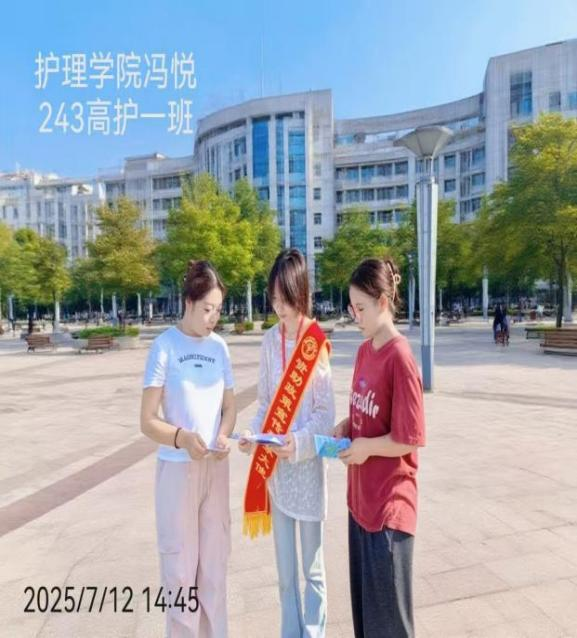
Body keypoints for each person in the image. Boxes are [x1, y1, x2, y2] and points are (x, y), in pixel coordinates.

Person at [239, 248, 335, 638]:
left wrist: (297, 442)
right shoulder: (268, 342)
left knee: (313, 571)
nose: (279, 308)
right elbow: (265, 403)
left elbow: (325, 414)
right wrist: (253, 433)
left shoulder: (315, 343)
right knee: (284, 576)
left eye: (286, 299)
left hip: (307, 472)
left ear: (302, 293)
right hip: (277, 475)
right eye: (274, 299)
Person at [140, 260, 237, 638]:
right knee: (180, 573)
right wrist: (181, 437)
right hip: (177, 470)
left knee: (214, 569)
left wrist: (224, 435)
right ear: (188, 303)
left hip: (215, 468)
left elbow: (229, 408)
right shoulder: (165, 346)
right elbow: (148, 420)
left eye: (218, 310)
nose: (213, 318)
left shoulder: (220, 348)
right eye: (207, 309)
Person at [335, 257, 426, 638]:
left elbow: (409, 437)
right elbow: (365, 413)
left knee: (390, 627)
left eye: (361, 308)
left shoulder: (400, 358)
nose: (355, 316)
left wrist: (366, 448)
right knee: (367, 624)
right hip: (360, 503)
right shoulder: (363, 351)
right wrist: (346, 426)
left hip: (389, 509)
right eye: (351, 307)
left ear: (383, 303)